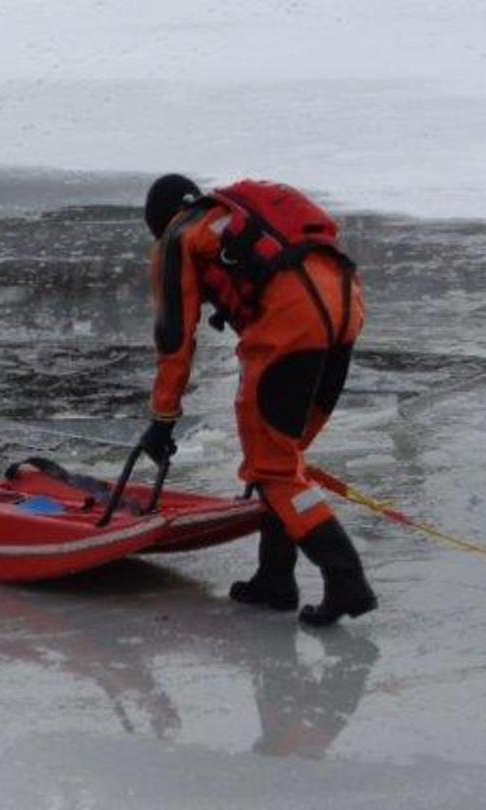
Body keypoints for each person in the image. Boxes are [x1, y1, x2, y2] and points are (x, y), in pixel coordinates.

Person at [135, 174, 376, 626]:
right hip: (344, 309)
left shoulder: (179, 236)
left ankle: (346, 578)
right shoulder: (232, 215)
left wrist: (162, 419)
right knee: (284, 460)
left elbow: (174, 339)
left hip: (293, 318)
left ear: (159, 223)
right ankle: (275, 577)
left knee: (272, 469)